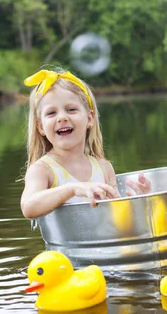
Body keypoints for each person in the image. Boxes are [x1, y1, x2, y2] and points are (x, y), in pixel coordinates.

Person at [20, 69, 151, 219]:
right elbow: (28, 207)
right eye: (51, 113)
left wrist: (142, 202)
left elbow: (120, 219)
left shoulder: (104, 168)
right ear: (41, 127)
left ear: (89, 118)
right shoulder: (43, 170)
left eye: (71, 109)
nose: (62, 117)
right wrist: (72, 189)